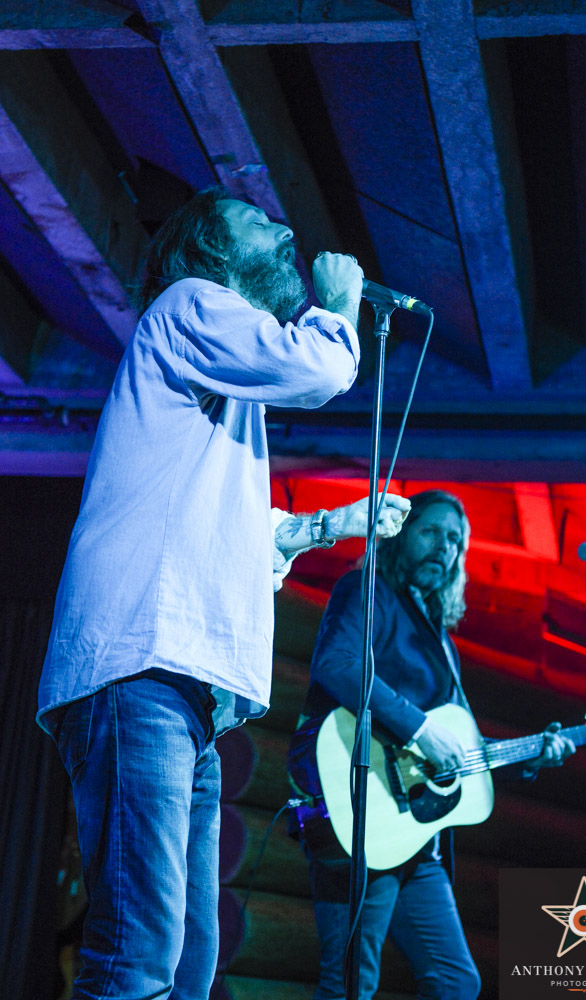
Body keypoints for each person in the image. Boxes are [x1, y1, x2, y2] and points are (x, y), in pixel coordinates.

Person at [36, 186, 410, 1000]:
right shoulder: (188, 303)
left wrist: (327, 525)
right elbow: (310, 367)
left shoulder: (217, 384)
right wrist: (339, 306)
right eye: (257, 223)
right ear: (208, 252)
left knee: (187, 960)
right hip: (138, 669)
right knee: (138, 951)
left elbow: (224, 534)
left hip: (183, 693)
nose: (283, 231)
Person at [288, 489, 576, 1000]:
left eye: (455, 541)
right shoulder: (364, 589)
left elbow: (457, 753)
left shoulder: (441, 643)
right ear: (401, 533)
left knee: (456, 983)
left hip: (418, 840)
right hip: (362, 811)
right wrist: (420, 730)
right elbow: (337, 666)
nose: (445, 547)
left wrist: (531, 754)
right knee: (351, 984)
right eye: (432, 532)